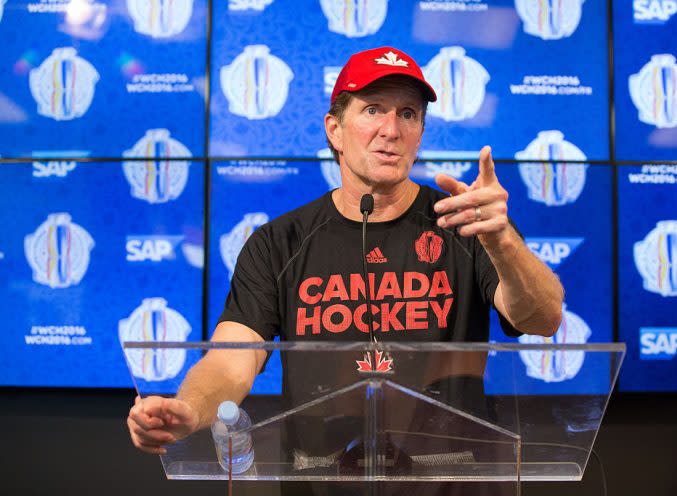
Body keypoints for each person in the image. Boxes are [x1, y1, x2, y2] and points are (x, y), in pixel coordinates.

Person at [127, 46, 564, 470]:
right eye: (373, 109)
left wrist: (504, 241)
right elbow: (231, 360)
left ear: (420, 134)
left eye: (408, 114)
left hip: (451, 477)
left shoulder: (468, 225)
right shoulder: (278, 242)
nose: (391, 130)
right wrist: (189, 408)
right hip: (322, 477)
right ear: (334, 130)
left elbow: (542, 319)